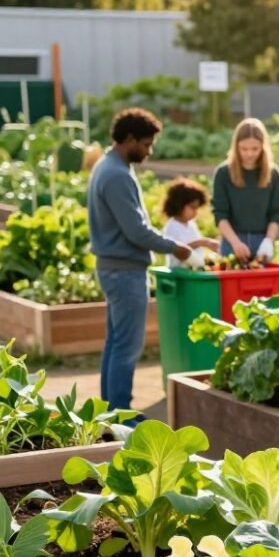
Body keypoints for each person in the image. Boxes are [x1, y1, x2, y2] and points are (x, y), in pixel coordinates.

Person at [86, 108, 191, 415]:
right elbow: (136, 231)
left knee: (116, 343)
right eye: (145, 144)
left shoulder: (108, 166)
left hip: (113, 268)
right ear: (129, 139)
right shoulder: (116, 174)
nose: (149, 151)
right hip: (125, 271)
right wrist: (175, 247)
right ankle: (121, 413)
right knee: (127, 347)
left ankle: (110, 412)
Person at [212, 118, 279, 262]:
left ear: (263, 147)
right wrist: (235, 242)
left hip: (262, 241)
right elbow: (220, 215)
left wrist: (268, 241)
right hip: (232, 241)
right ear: (236, 147)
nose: (249, 154)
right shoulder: (223, 173)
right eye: (244, 149)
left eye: (255, 149)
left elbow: (276, 213)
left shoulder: (273, 174)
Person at [161, 178, 219, 268]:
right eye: (192, 208)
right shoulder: (172, 226)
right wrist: (203, 242)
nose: (195, 212)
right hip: (179, 271)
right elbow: (179, 251)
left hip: (192, 270)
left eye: (197, 208)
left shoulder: (191, 224)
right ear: (179, 205)